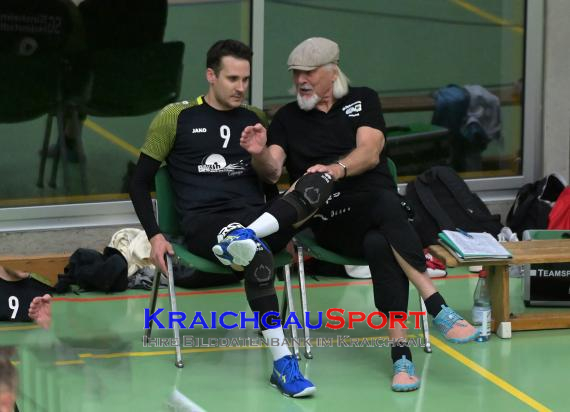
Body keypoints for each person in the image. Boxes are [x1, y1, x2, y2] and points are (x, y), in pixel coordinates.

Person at [214, 37, 479, 392]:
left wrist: (335, 169)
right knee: (388, 209)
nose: (300, 81)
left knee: (380, 239)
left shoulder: (362, 100)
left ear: (332, 72)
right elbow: (273, 171)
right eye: (296, 75)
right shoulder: (288, 118)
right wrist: (259, 152)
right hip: (329, 219)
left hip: (374, 213)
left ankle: (401, 357)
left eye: (309, 73)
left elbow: (370, 152)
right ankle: (436, 304)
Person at [128, 39, 322, 398]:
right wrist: (155, 234)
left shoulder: (254, 119)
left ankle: (249, 235)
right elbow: (138, 183)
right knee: (258, 254)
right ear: (210, 75)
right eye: (233, 78)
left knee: (318, 184)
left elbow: (269, 184)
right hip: (206, 224)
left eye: (246, 80)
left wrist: (260, 153)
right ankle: (283, 364)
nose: (240, 87)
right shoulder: (176, 117)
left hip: (254, 217)